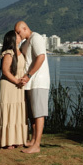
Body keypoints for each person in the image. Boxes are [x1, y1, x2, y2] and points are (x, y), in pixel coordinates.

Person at [14, 20, 50, 154]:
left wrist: (29, 75)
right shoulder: (25, 43)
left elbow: (41, 57)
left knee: (39, 113)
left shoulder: (36, 38)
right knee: (32, 114)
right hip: (29, 83)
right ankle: (33, 140)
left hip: (39, 81)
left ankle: (37, 145)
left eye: (19, 32)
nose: (18, 35)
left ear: (25, 28)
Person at [0, 29, 28, 149]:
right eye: (17, 35)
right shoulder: (9, 53)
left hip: (18, 85)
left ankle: (18, 139)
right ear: (13, 38)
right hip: (9, 85)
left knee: (18, 111)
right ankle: (7, 141)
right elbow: (5, 71)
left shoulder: (20, 51)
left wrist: (23, 80)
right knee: (9, 112)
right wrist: (17, 81)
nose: (19, 35)